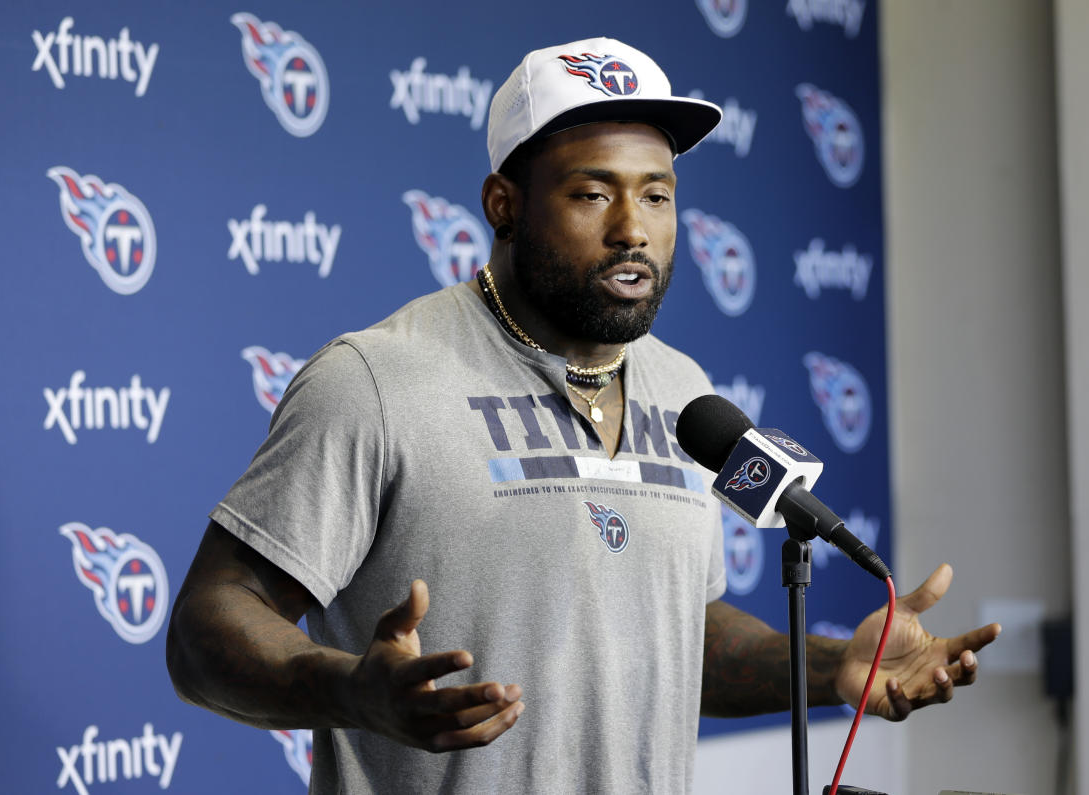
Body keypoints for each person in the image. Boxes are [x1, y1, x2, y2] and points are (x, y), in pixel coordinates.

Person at [166, 37, 1001, 793]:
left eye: (658, 196)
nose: (633, 230)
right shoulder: (377, 380)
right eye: (593, 194)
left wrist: (833, 666)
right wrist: (351, 690)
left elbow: (686, 636)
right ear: (503, 203)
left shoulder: (686, 393)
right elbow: (209, 627)